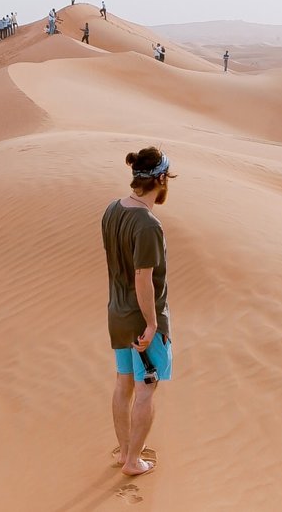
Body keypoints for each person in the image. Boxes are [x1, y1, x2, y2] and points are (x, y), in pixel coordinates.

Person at [101, 147, 175, 477]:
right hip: (141, 320)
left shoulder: (112, 210)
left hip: (116, 313)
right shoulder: (148, 225)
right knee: (146, 387)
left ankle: (125, 453)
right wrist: (152, 323)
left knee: (123, 384)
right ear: (159, 179)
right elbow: (142, 276)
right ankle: (133, 460)